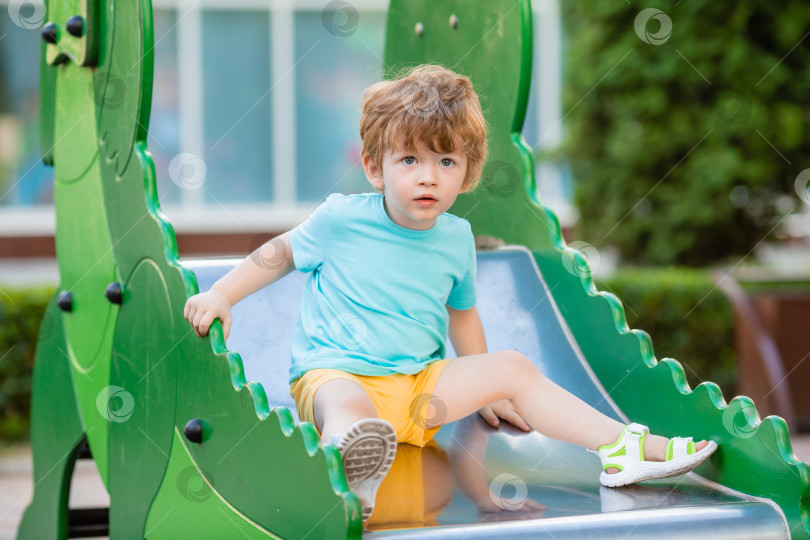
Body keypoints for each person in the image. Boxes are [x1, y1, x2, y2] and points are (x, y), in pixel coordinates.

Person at [184, 64, 717, 522]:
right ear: (375, 168)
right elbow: (278, 254)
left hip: (418, 389)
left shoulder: (455, 237)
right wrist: (225, 294)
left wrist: (487, 388)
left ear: (466, 173)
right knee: (350, 408)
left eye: (446, 162)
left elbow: (462, 316)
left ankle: (623, 448)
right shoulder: (341, 218)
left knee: (511, 366)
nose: (428, 177)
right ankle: (343, 475)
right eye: (409, 160)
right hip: (335, 375)